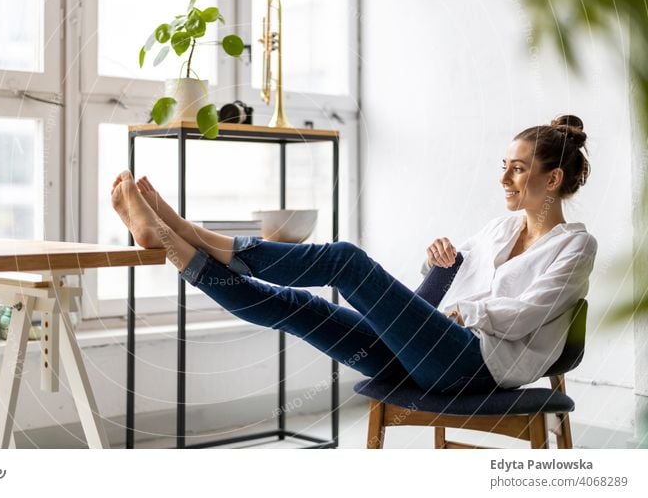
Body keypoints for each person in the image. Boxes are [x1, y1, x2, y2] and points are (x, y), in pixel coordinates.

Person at [110, 114, 597, 394]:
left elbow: (530, 313)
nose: (504, 179)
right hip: (427, 350)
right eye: (504, 167)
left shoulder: (575, 245)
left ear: (552, 180)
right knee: (298, 308)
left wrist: (462, 312)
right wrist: (436, 257)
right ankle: (179, 247)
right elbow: (447, 276)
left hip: (475, 364)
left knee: (345, 260)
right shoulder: (500, 227)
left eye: (516, 170)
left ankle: (184, 230)